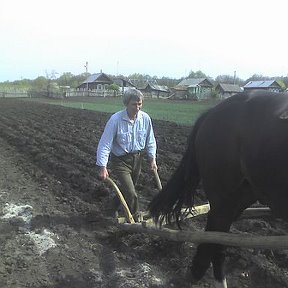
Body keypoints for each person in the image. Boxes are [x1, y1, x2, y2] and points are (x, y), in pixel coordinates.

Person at [96, 88, 157, 221]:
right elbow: (105, 143)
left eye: (139, 104)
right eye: (134, 104)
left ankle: (110, 210)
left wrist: (152, 159)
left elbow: (150, 139)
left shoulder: (145, 118)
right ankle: (137, 217)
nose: (137, 107)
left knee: (126, 189)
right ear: (126, 104)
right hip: (121, 161)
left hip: (137, 159)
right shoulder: (116, 119)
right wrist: (102, 166)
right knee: (131, 192)